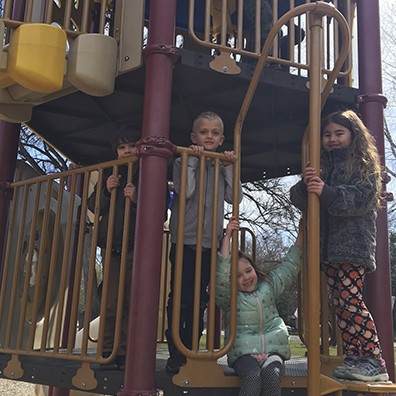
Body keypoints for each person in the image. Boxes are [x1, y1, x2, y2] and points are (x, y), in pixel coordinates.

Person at [289, 109, 389, 382]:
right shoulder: (324, 165)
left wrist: (327, 191)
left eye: (338, 133)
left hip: (352, 244)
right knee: (340, 303)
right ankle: (356, 356)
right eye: (327, 134)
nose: (332, 139)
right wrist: (306, 183)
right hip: (328, 247)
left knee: (350, 299)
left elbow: (362, 198)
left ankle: (374, 359)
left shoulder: (362, 165)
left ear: (353, 135)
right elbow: (299, 198)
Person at [165, 111, 243, 374]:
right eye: (203, 132)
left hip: (210, 242)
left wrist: (231, 166)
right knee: (181, 298)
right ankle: (177, 351)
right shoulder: (182, 161)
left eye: (214, 133)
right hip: (186, 240)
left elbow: (235, 198)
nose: (209, 136)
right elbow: (185, 192)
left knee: (200, 299)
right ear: (193, 137)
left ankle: (192, 350)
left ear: (221, 139)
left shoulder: (223, 165)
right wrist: (193, 160)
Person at [216, 217, 303, 396]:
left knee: (272, 374)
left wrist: (302, 234)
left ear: (255, 269)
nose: (246, 278)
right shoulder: (231, 298)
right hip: (244, 353)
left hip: (273, 350)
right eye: (238, 276)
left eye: (248, 271)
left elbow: (289, 266)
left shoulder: (269, 286)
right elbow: (222, 277)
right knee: (253, 376)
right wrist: (227, 239)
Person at [87, 130, 138, 369]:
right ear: (116, 153)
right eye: (122, 148)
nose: (127, 151)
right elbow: (94, 207)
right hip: (112, 248)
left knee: (129, 300)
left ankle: (125, 352)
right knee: (110, 301)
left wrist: (137, 198)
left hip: (137, 248)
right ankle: (107, 349)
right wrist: (106, 190)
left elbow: (161, 210)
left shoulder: (147, 173)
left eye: (131, 146)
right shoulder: (110, 173)